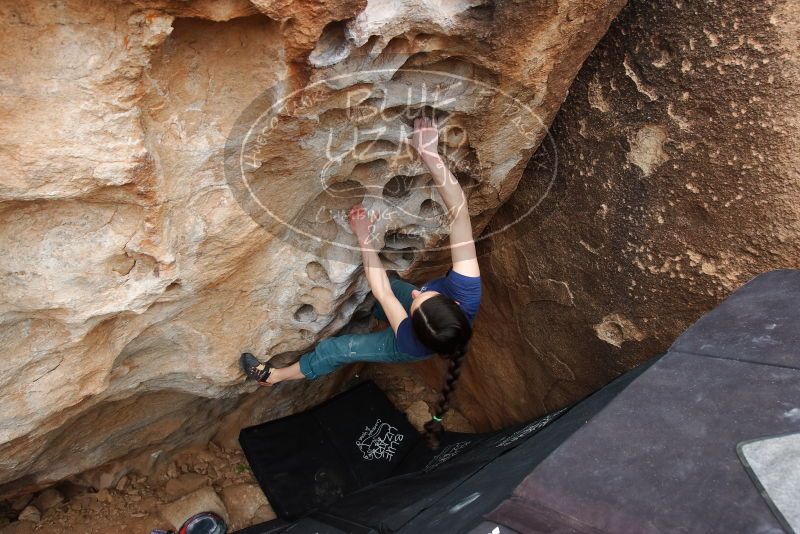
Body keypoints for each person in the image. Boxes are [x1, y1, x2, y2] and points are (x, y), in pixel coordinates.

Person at [240, 116, 481, 448]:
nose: (415, 293)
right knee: (396, 286)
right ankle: (374, 315)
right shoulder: (467, 291)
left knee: (339, 348)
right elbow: (459, 211)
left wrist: (365, 237)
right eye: (423, 295)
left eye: (414, 303)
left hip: (401, 342)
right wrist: (429, 153)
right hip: (424, 321)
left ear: (413, 321)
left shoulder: (410, 340)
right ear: (454, 303)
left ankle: (273, 376)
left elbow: (381, 289)